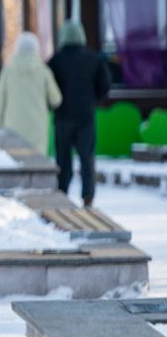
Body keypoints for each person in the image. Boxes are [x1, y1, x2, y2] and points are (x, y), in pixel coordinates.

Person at [48, 20, 111, 207]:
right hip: (86, 115)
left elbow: (50, 88)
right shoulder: (95, 58)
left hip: (63, 115)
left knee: (63, 157)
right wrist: (92, 100)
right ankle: (88, 196)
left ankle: (63, 192)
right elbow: (105, 85)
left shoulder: (55, 60)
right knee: (87, 156)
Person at [0, 31, 62, 154]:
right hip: (37, 128)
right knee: (37, 165)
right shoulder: (43, 71)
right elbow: (56, 99)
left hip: (12, 129)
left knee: (15, 165)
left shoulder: (8, 71)